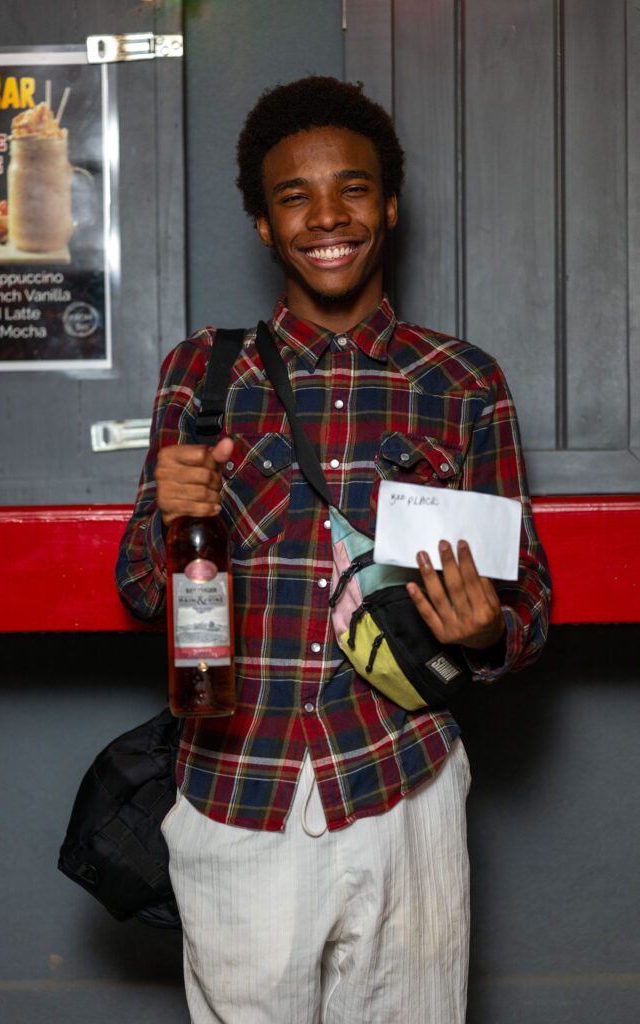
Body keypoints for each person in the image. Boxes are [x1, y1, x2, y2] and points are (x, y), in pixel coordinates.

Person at [116, 76, 550, 1024]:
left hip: (404, 789)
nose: (325, 217)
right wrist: (165, 517)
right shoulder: (203, 372)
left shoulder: (462, 381)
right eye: (293, 197)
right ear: (263, 225)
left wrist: (485, 631)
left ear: (388, 205)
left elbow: (527, 608)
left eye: (352, 189)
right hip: (238, 792)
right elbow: (144, 590)